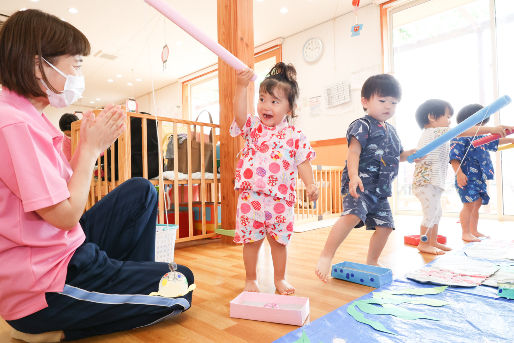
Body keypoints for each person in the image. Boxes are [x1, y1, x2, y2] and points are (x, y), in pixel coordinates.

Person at [0, 9, 193, 342]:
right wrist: (88, 151)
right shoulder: (14, 123)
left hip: (62, 250)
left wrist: (88, 147)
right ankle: (53, 325)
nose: (79, 73)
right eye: (75, 64)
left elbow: (58, 191)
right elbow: (64, 215)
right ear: (38, 64)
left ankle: (123, 281)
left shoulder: (29, 117)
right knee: (181, 285)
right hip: (46, 283)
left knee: (142, 191)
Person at [315, 74, 418, 282]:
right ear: (365, 101)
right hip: (360, 184)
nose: (388, 106)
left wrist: (414, 154)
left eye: (393, 102)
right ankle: (326, 255)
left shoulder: (393, 132)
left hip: (381, 190)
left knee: (386, 226)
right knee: (352, 216)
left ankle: (372, 260)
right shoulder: (362, 125)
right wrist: (353, 177)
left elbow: (400, 156)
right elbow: (353, 153)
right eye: (382, 101)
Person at [232, 63, 318, 295]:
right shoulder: (253, 128)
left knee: (279, 243)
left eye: (274, 101)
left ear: (290, 108)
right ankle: (251, 279)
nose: (265, 106)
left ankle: (279, 278)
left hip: (280, 199)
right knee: (251, 242)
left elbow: (303, 163)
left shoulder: (295, 136)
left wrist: (310, 184)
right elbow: (240, 116)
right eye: (262, 99)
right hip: (251, 197)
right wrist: (241, 86)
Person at [412, 99, 512, 254]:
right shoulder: (434, 131)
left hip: (434, 182)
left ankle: (433, 241)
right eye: (446, 116)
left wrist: (503, 135)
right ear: (432, 117)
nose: (449, 121)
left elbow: (488, 140)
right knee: (431, 214)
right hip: (425, 182)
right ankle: (423, 244)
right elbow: (461, 132)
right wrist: (493, 129)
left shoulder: (440, 133)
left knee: (436, 213)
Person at [450, 104, 514, 242]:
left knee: (477, 203)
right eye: (479, 123)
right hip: (467, 176)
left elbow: (495, 142)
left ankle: (474, 231)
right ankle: (465, 232)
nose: (481, 126)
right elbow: (454, 157)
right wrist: (459, 174)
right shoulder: (461, 135)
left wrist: (510, 139)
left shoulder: (480, 136)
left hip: (479, 176)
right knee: (468, 204)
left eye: (483, 123)